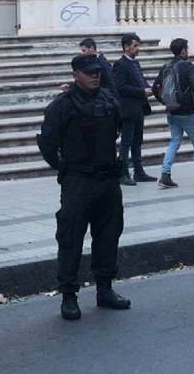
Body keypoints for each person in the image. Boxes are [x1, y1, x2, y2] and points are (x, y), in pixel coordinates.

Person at [38, 54, 132, 320]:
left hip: (107, 180)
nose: (95, 76)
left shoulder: (109, 100)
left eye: (97, 72)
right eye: (89, 72)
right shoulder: (62, 105)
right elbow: (47, 142)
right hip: (78, 181)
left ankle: (105, 289)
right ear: (76, 74)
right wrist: (64, 167)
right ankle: (69, 295)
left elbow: (118, 130)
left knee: (109, 235)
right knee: (71, 238)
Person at [153, 38, 194, 188]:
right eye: (187, 49)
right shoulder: (187, 66)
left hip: (172, 112)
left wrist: (165, 102)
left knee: (174, 141)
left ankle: (165, 173)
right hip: (188, 111)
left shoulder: (166, 66)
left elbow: (155, 87)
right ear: (183, 50)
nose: (187, 51)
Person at [112, 33, 156, 185]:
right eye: (135, 45)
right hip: (127, 109)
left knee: (137, 141)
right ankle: (123, 172)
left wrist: (150, 89)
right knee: (126, 142)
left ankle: (139, 171)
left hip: (138, 108)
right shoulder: (120, 64)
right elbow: (120, 87)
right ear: (126, 47)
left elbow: (140, 80)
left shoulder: (135, 63)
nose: (138, 49)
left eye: (138, 45)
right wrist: (141, 92)